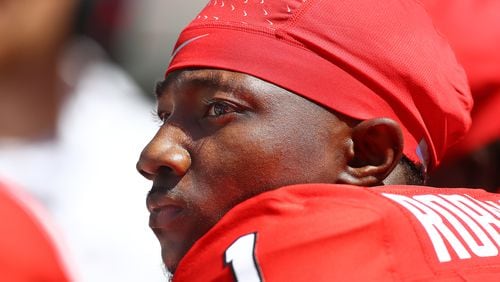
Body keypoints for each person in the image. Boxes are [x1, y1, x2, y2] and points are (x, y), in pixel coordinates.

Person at [136, 0, 500, 280]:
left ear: (365, 153)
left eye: (218, 109)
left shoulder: (296, 251)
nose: (153, 153)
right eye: (164, 115)